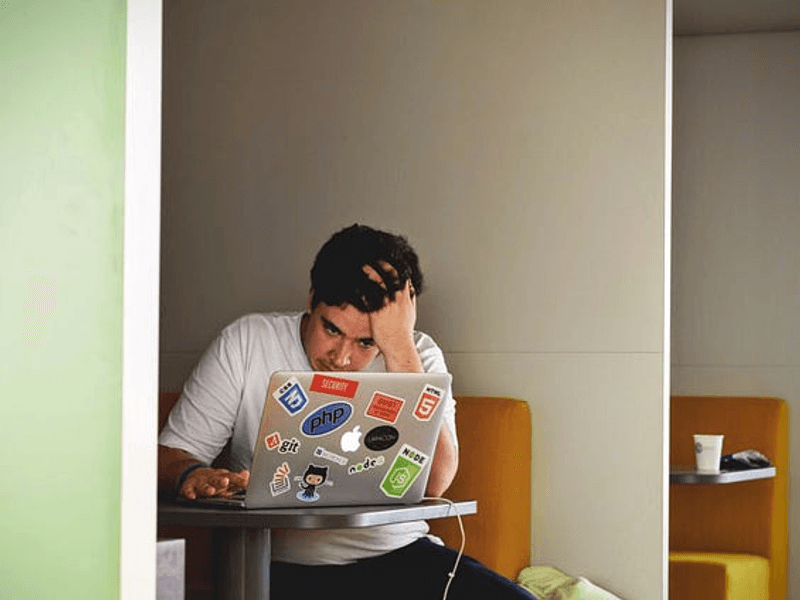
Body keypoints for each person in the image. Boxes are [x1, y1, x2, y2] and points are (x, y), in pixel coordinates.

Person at [158, 224, 537, 600]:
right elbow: (167, 456)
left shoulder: (416, 355)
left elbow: (436, 481)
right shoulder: (247, 342)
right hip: (278, 569)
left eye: (365, 342)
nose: (342, 358)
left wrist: (399, 348)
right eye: (332, 330)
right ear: (311, 299)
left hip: (399, 556)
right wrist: (193, 474)